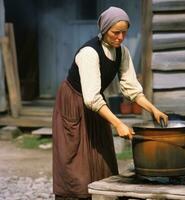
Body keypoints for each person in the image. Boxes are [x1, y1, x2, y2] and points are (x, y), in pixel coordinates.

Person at [52, 6, 168, 200]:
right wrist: (118, 123)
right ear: (104, 29)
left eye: (124, 32)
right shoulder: (89, 53)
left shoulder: (122, 52)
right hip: (73, 102)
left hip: (95, 103)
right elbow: (91, 98)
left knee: (101, 154)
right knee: (75, 160)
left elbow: (131, 88)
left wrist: (153, 110)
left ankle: (100, 195)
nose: (120, 37)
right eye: (116, 32)